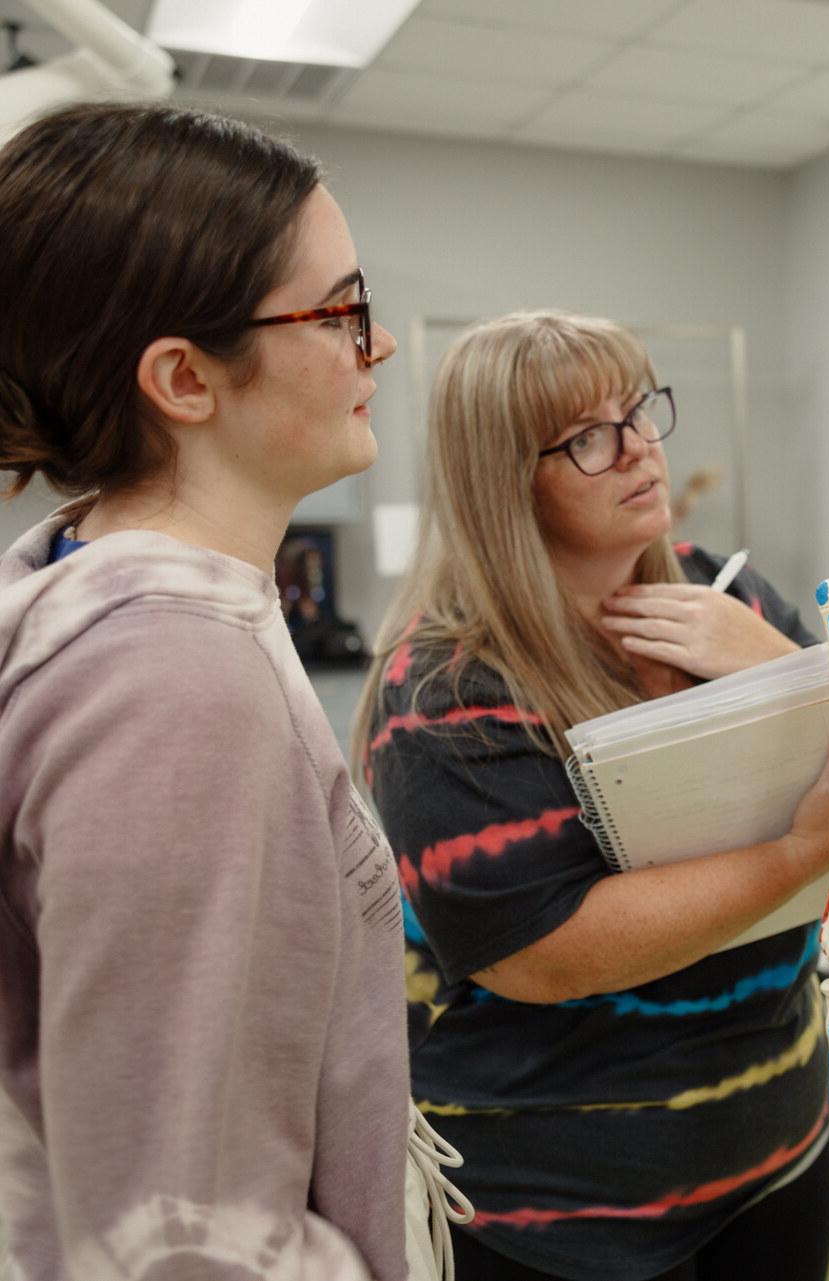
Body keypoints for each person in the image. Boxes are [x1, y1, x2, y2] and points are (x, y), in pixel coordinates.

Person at [0, 103, 409, 1277]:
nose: (375, 351)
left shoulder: (103, 597)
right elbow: (177, 1238)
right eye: (341, 315)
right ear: (184, 378)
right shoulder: (175, 687)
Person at [352, 311, 829, 1281]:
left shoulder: (726, 598)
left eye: (640, 413)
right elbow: (544, 952)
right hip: (561, 1215)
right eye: (588, 438)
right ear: (505, 480)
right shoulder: (444, 690)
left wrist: (786, 669)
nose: (639, 451)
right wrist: (795, 856)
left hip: (777, 1155)